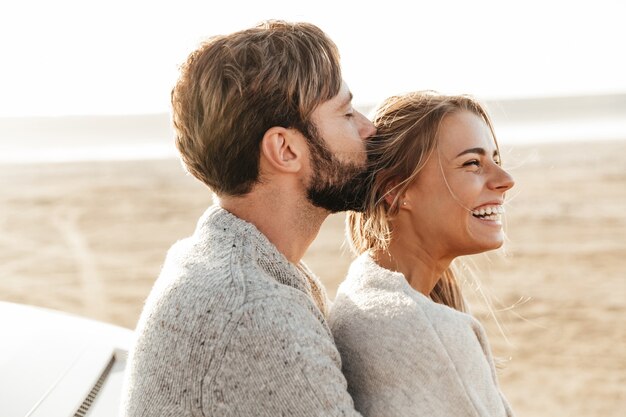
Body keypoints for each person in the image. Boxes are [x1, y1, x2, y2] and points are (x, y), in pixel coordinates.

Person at [120, 20, 376, 416]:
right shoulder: (254, 311)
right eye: (346, 114)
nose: (368, 127)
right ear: (285, 149)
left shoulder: (221, 260)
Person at [329, 91, 516, 417]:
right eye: (472, 163)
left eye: (495, 161)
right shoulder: (426, 333)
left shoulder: (365, 297)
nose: (505, 180)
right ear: (397, 191)